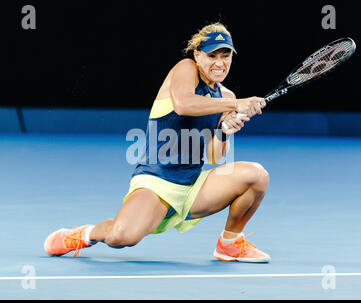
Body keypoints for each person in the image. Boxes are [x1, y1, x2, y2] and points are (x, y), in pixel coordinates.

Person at [44, 22, 271, 263]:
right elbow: (184, 103)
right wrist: (236, 105)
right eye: (212, 55)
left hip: (193, 185)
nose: (219, 62)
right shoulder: (186, 68)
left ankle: (230, 244)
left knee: (257, 175)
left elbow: (215, 157)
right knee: (121, 237)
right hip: (157, 180)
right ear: (197, 55)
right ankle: (84, 234)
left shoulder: (226, 97)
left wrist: (225, 130)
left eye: (225, 56)